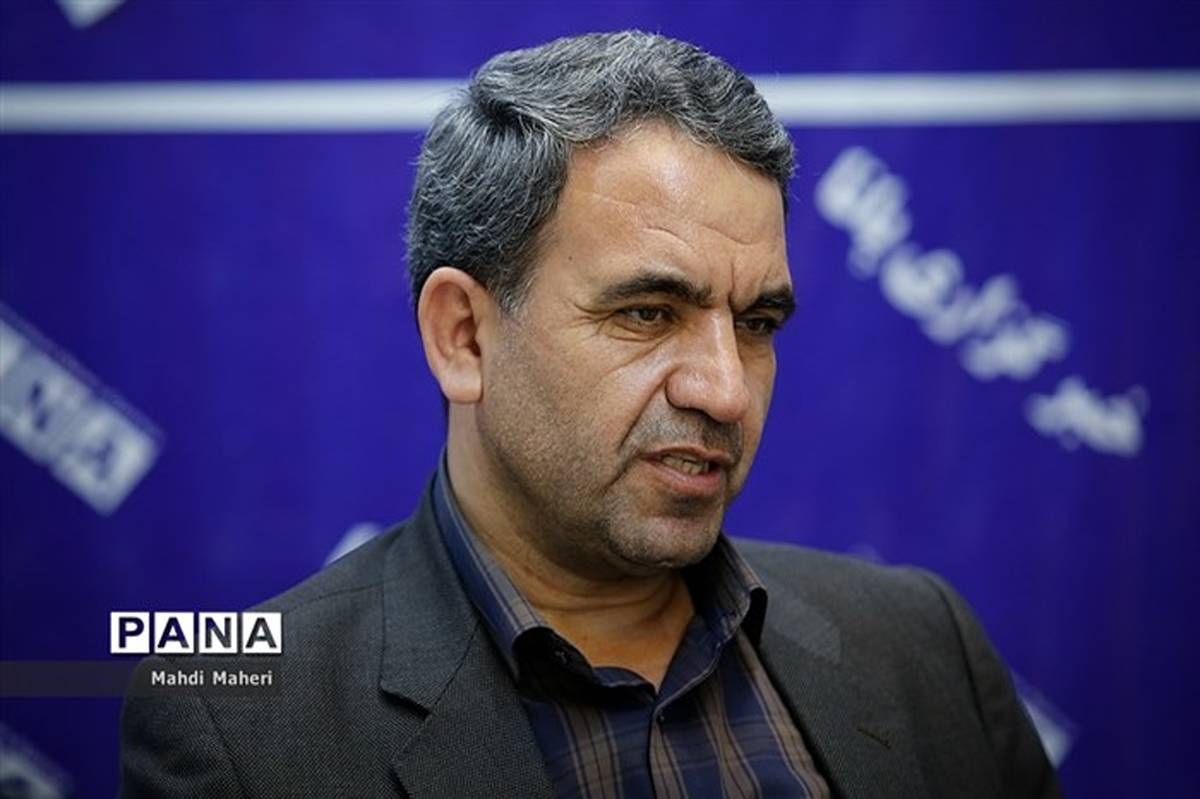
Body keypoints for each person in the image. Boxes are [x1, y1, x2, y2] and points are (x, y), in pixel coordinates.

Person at [120, 31, 1060, 798]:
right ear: (464, 337)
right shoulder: (237, 712)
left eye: (757, 322)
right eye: (647, 313)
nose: (725, 391)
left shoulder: (923, 641)